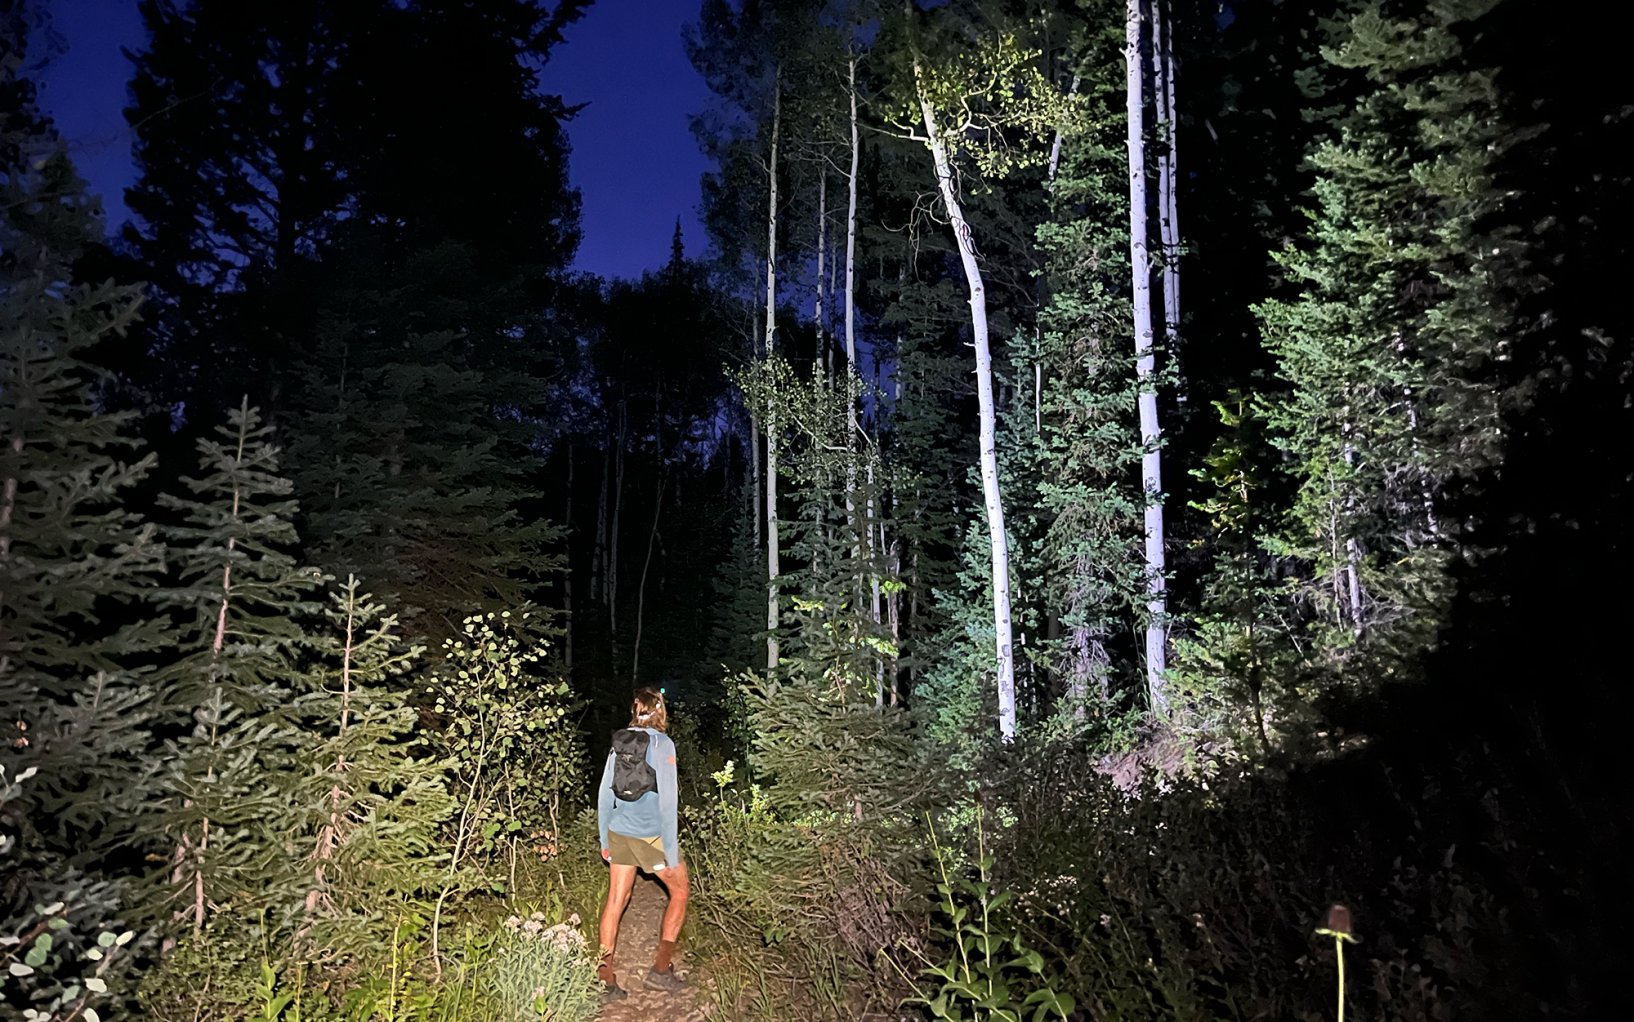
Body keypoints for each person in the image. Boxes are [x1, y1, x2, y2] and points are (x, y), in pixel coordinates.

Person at [596, 686, 687, 998]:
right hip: (650, 836)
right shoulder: (663, 743)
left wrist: (604, 837)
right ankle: (660, 971)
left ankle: (605, 979)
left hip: (620, 831)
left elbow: (604, 794)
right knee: (680, 892)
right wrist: (670, 852)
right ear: (659, 710)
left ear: (635, 710)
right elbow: (668, 803)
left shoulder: (620, 742)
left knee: (615, 902)